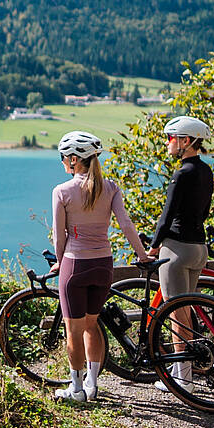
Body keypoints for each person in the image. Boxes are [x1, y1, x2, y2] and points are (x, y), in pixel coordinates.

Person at [50, 130, 151, 402]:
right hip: (103, 265)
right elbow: (127, 226)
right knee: (92, 325)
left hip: (75, 266)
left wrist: (59, 263)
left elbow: (60, 235)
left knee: (73, 330)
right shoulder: (111, 187)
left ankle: (76, 389)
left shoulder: (62, 191)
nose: (61, 162)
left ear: (73, 160)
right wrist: (142, 256)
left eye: (63, 157)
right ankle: (92, 384)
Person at [149, 115, 214, 388]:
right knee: (186, 310)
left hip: (176, 250)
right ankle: (183, 372)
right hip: (199, 248)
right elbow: (205, 211)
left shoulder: (182, 173)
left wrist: (153, 246)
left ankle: (182, 378)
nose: (168, 143)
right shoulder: (206, 171)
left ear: (186, 141)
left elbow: (167, 216)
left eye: (171, 137)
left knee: (176, 312)